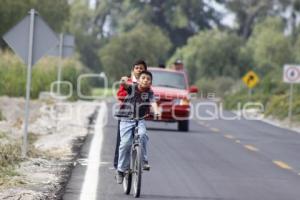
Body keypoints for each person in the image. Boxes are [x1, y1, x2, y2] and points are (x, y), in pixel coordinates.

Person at [115, 71, 160, 184]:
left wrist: (157, 111)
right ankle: (120, 170)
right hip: (125, 119)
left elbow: (154, 103)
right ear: (138, 80)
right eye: (143, 78)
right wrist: (123, 80)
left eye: (148, 79)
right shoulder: (133, 88)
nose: (145, 80)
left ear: (151, 82)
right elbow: (125, 85)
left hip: (140, 119)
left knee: (143, 135)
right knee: (125, 143)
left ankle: (144, 161)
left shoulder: (150, 93)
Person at [113, 60, 147, 169]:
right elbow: (120, 95)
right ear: (133, 70)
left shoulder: (146, 82)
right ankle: (118, 166)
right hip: (125, 114)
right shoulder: (127, 81)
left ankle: (142, 160)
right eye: (137, 68)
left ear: (145, 70)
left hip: (139, 114)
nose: (139, 70)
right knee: (123, 142)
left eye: (141, 68)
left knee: (142, 136)